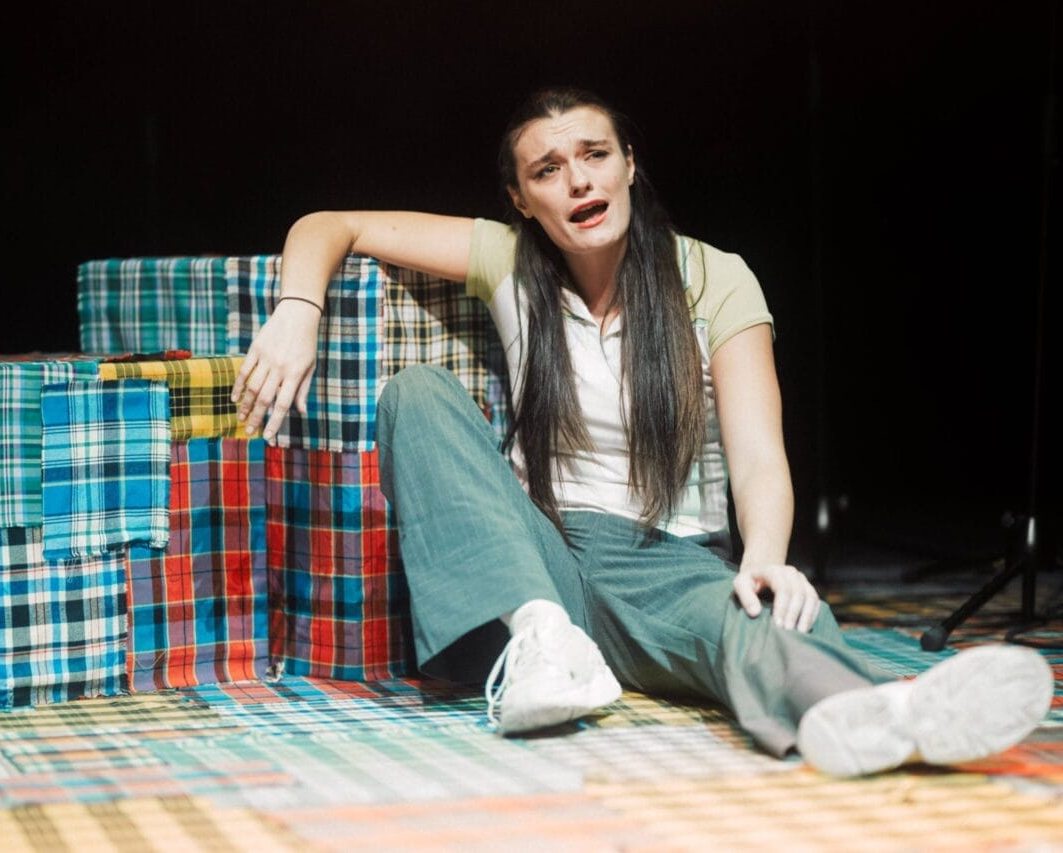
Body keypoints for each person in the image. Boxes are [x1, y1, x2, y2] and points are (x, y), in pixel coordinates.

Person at [230, 86, 1053, 777]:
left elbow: (758, 455)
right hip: (538, 564)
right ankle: (546, 649)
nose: (578, 181)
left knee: (755, 617)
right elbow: (329, 223)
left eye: (595, 154)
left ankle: (876, 714)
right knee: (416, 394)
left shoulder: (714, 277)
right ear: (521, 198)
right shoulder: (508, 259)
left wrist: (767, 557)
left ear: (630, 162)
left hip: (669, 561)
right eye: (548, 169)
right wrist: (298, 312)